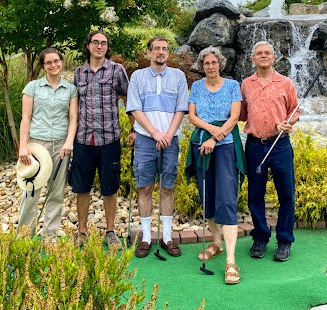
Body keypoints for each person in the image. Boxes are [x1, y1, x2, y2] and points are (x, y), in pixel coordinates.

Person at [185, 46, 245, 285]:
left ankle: (231, 261)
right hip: (201, 146)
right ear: (202, 66)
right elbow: (192, 116)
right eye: (206, 63)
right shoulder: (197, 87)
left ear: (220, 64)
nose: (210, 66)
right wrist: (209, 132)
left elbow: (234, 118)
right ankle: (216, 244)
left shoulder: (232, 85)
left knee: (227, 199)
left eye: (214, 62)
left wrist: (214, 138)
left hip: (226, 147)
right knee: (207, 196)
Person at [126, 36, 188, 258]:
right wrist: (155, 133)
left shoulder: (179, 76)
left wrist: (168, 135)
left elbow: (180, 109)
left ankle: (168, 237)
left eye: (164, 49)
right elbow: (135, 109)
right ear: (149, 53)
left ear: (168, 53)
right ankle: (145, 237)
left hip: (170, 140)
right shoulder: (138, 77)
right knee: (145, 187)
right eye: (156, 49)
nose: (161, 52)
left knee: (167, 187)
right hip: (145, 139)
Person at [71, 30, 131, 250]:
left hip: (109, 139)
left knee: (110, 187)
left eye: (103, 43)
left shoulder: (117, 70)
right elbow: (74, 105)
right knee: (82, 187)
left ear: (107, 47)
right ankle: (82, 231)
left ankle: (111, 231)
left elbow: (128, 99)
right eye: (95, 42)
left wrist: (133, 129)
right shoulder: (79, 73)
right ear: (88, 46)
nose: (99, 46)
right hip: (84, 139)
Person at [240, 41, 300, 262]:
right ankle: (260, 237)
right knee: (255, 195)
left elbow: (295, 112)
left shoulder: (286, 83)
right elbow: (243, 114)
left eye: (267, 53)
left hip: (280, 145)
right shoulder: (246, 84)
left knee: (286, 194)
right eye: (259, 53)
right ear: (252, 59)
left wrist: (288, 122)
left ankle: (284, 240)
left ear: (274, 58)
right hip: (255, 145)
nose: (263, 56)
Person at [17, 47, 78, 240]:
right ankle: (24, 237)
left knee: (56, 191)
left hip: (61, 146)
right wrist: (23, 146)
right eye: (48, 62)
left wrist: (69, 142)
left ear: (62, 61)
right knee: (30, 191)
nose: (53, 65)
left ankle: (50, 235)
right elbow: (25, 118)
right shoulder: (32, 87)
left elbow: (73, 118)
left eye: (56, 61)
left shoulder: (71, 90)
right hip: (37, 145)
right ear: (43, 66)